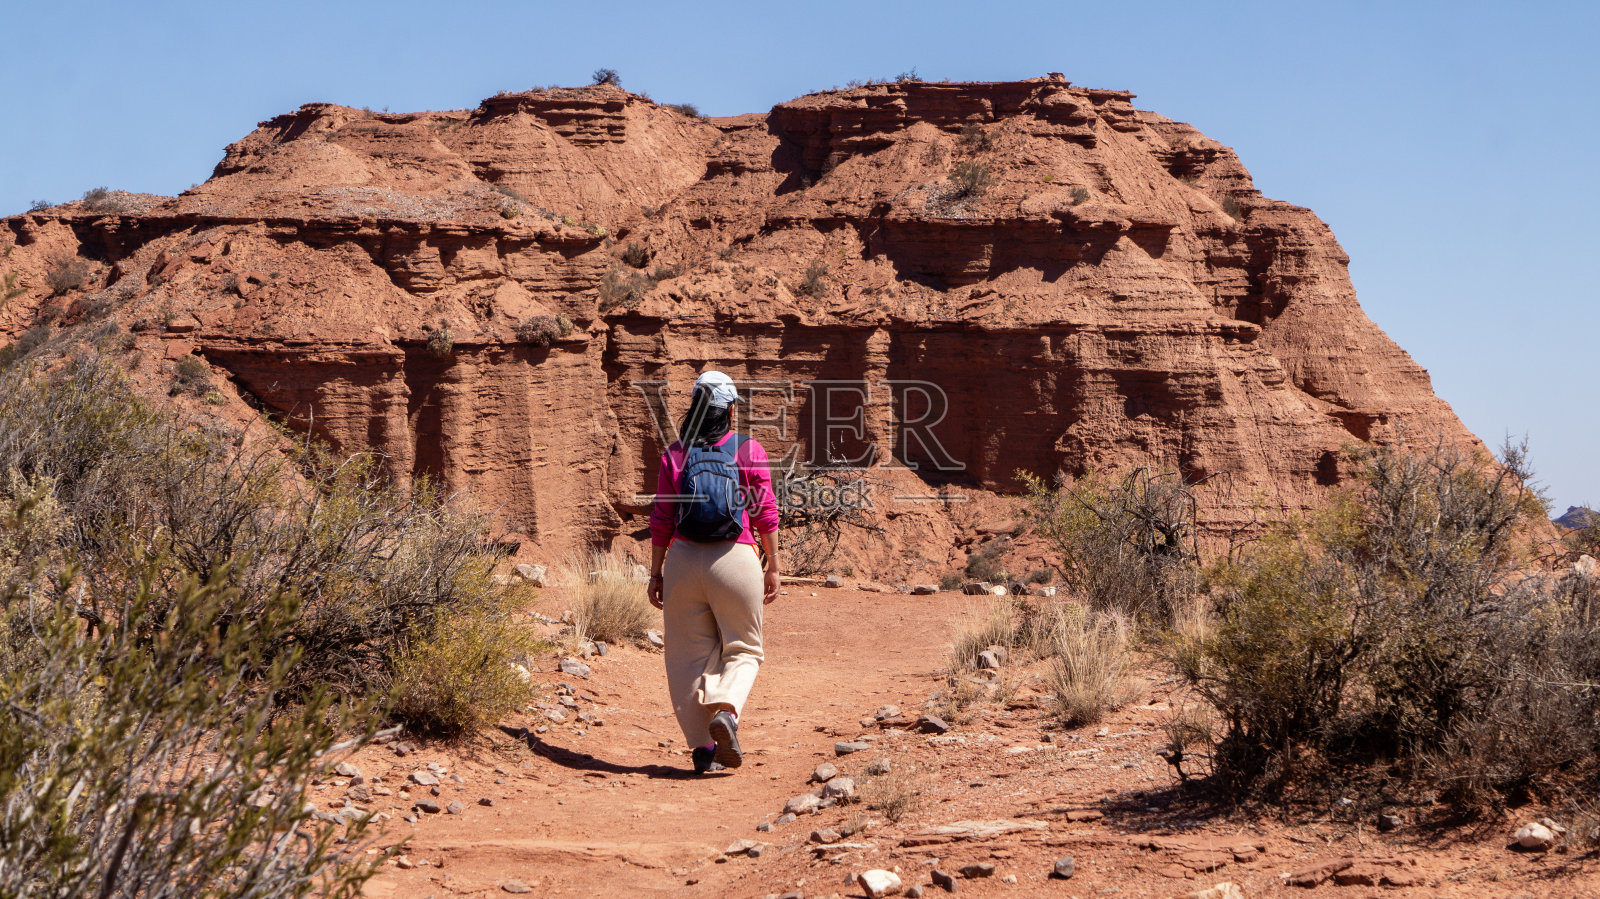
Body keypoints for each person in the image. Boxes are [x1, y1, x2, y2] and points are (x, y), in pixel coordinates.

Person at [647, 371, 781, 774]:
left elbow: (661, 519)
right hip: (735, 558)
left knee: (685, 657)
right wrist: (774, 564)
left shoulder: (676, 453)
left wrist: (656, 574)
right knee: (744, 648)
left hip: (684, 560)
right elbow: (764, 510)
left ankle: (703, 749)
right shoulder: (748, 449)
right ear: (731, 410)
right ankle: (728, 713)